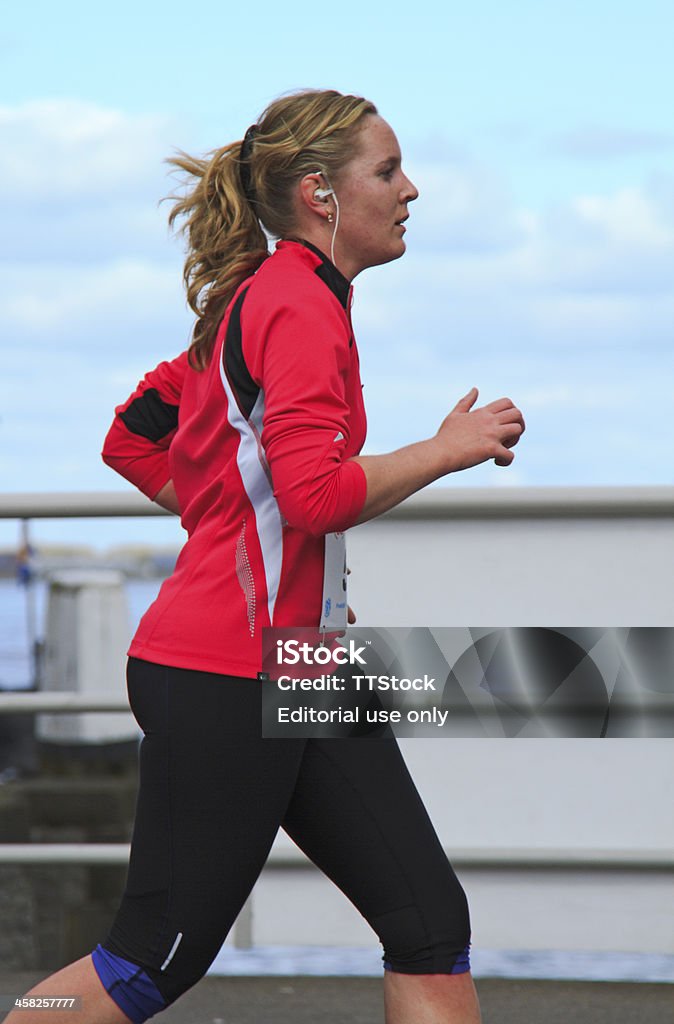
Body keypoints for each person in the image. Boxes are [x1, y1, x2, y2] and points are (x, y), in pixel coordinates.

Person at [6, 89, 524, 1024]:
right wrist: (449, 447)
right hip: (227, 672)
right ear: (321, 193)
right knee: (147, 962)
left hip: (302, 663)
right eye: (388, 170)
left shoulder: (273, 295)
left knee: (427, 922)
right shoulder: (292, 305)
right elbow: (311, 496)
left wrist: (267, 557)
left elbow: (136, 436)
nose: (412, 189)